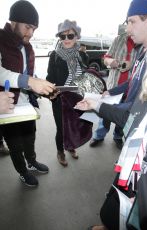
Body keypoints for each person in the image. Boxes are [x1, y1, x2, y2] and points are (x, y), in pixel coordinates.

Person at [75, 0, 147, 229]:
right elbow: (131, 89)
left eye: (132, 22)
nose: (127, 29)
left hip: (142, 153)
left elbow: (133, 117)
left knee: (134, 206)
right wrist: (110, 91)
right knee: (120, 196)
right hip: (134, 141)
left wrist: (97, 106)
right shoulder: (142, 54)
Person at [0, 0, 55, 187]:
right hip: (6, 105)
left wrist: (43, 88)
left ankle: (31, 162)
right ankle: (22, 171)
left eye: (34, 29)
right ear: (13, 21)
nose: (31, 33)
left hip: (26, 103)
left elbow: (28, 74)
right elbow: (1, 72)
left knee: (30, 137)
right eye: (28, 27)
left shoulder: (28, 47)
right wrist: (28, 81)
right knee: (15, 144)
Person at [89, 28, 138, 150]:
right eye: (128, 23)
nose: (129, 27)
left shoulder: (142, 42)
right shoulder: (118, 39)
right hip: (113, 85)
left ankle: (118, 137)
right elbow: (105, 58)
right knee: (105, 113)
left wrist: (131, 64)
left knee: (123, 115)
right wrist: (111, 61)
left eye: (133, 22)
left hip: (129, 90)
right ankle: (99, 136)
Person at [46, 19, 85, 167]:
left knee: (73, 125)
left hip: (76, 99)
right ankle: (60, 151)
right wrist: (50, 92)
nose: (66, 39)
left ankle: (70, 146)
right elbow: (49, 79)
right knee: (61, 127)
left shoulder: (81, 55)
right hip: (60, 99)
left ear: (77, 36)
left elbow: (84, 76)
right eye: (62, 36)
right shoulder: (55, 56)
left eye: (70, 36)